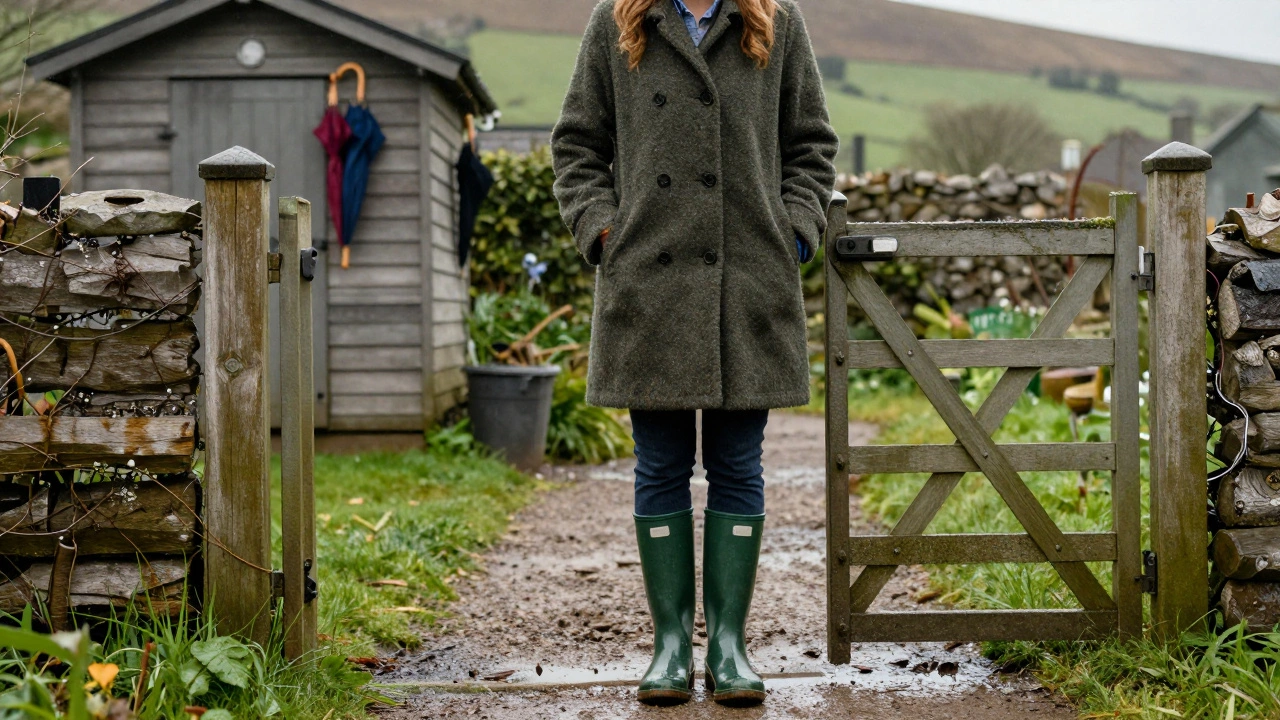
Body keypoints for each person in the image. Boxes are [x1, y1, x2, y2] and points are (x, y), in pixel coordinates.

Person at [551, 0, 837, 707]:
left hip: (747, 279)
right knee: (661, 465)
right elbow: (577, 147)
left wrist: (795, 231)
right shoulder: (619, 23)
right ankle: (671, 646)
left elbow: (812, 147)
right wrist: (602, 232)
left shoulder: (776, 21)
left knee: (739, 464)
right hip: (650, 280)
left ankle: (731, 646)